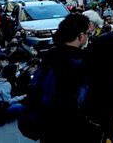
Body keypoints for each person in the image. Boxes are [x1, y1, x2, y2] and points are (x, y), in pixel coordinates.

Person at [22, 13, 90, 143]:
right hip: (73, 128)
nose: (87, 37)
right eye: (87, 33)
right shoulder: (82, 61)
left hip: (47, 127)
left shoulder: (49, 56)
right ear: (80, 36)